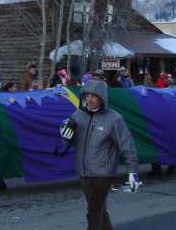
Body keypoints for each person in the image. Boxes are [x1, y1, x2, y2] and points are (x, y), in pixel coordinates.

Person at [60, 80, 140, 229]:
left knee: (93, 212)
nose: (89, 99)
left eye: (94, 96)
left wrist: (132, 171)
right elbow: (71, 143)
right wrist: (65, 136)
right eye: (87, 96)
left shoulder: (114, 118)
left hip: (103, 174)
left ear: (102, 98)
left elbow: (127, 146)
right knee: (99, 210)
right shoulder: (78, 115)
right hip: (83, 172)